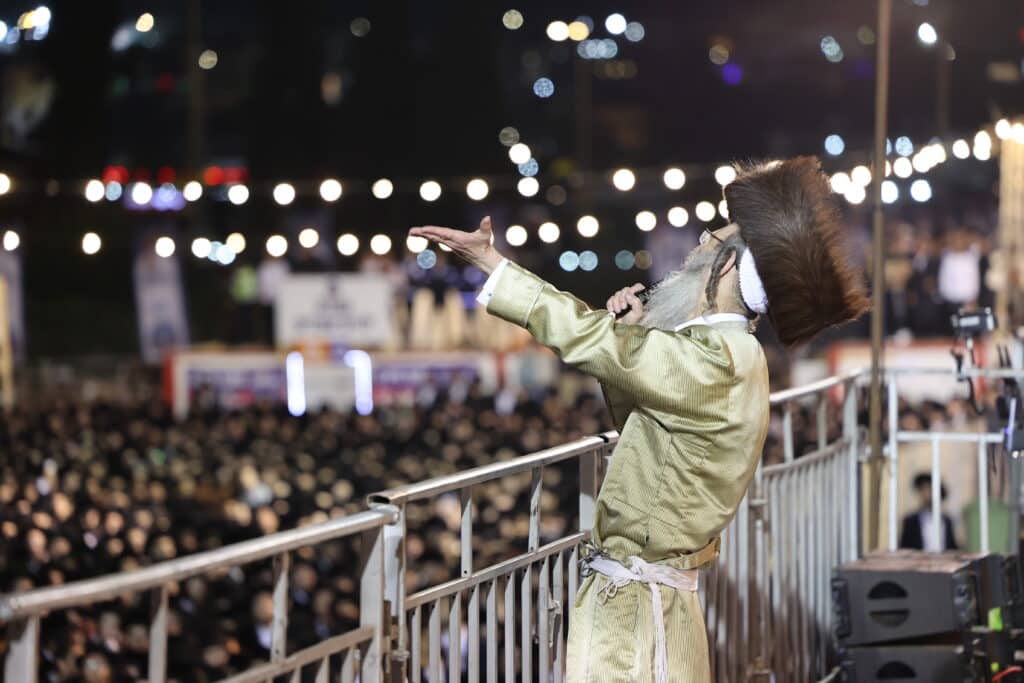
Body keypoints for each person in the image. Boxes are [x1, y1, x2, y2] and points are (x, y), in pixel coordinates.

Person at [409, 156, 870, 682]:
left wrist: (491, 262)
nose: (696, 247)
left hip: (632, 610)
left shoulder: (713, 360)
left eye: (708, 241)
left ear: (724, 269)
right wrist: (634, 337)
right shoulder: (737, 356)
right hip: (657, 600)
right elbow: (656, 438)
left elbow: (586, 338)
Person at [899, 472, 958, 551]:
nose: (925, 494)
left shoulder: (947, 520)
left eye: (929, 489)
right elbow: (904, 547)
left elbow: (952, 546)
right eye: (922, 489)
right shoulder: (911, 521)